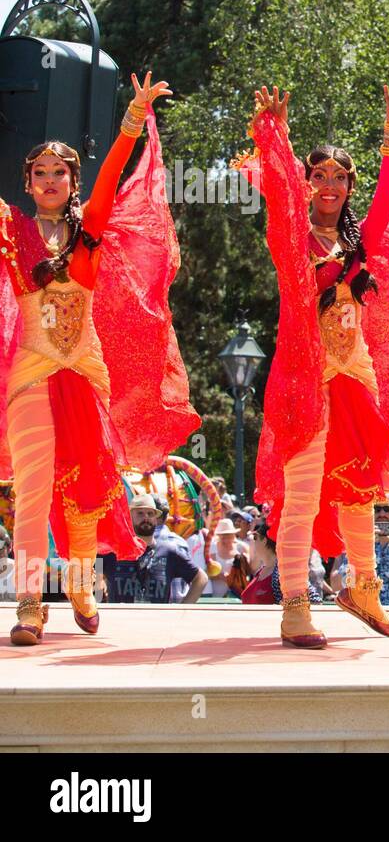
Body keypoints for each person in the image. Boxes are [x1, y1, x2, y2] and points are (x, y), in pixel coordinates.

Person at [237, 82, 389, 647]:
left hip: (353, 374)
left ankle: (363, 588)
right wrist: (276, 132)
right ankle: (295, 605)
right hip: (304, 376)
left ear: (349, 185)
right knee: (300, 496)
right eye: (318, 175)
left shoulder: (361, 241)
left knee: (358, 490)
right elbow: (278, 189)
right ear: (307, 183)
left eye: (339, 177)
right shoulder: (291, 236)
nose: (328, 185)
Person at [1, 73, 200, 644]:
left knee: (87, 487)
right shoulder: (11, 231)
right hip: (32, 375)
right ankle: (31, 604)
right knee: (34, 490)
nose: (49, 179)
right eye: (39, 172)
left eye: (59, 171)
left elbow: (113, 175)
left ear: (71, 180)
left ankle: (83, 584)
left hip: (84, 373)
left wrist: (133, 119)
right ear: (27, 181)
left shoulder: (89, 231)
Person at [104, 494, 209, 604]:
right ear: (129, 517)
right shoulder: (113, 550)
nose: (146, 518)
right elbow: (87, 569)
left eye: (150, 514)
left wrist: (182, 609)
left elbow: (201, 578)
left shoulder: (169, 551)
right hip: (119, 620)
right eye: (140, 513)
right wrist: (95, 603)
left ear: (156, 519)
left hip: (158, 620)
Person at [206, 518, 248, 599]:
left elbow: (248, 571)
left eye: (229, 535)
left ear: (234, 534)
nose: (226, 539)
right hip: (216, 597)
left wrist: (233, 576)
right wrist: (221, 576)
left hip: (237, 595)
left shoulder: (242, 547)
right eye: (223, 536)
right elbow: (208, 572)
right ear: (218, 536)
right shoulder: (213, 548)